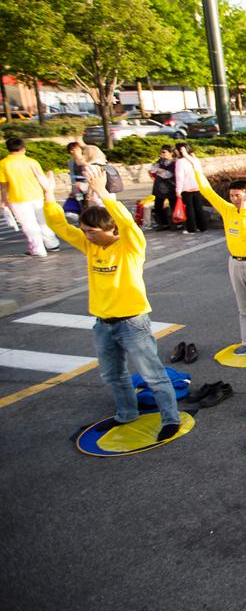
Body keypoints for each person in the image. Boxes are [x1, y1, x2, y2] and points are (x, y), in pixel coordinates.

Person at [38, 167, 179, 439]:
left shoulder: (130, 246)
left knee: (153, 376)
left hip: (133, 323)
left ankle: (170, 419)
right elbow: (58, 226)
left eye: (91, 231)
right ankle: (127, 414)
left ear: (109, 228)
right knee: (113, 375)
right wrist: (47, 194)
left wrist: (104, 193)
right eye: (84, 231)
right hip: (103, 324)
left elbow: (127, 223)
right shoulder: (92, 246)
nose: (86, 236)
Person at [184, 151, 246, 356]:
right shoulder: (227, 209)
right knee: (244, 306)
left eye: (239, 195)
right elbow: (207, 191)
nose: (235, 199)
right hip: (234, 263)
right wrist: (196, 167)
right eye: (232, 196)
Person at [1, 137, 60, 257]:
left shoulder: (4, 164)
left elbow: (4, 185)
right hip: (37, 195)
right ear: (23, 148)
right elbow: (41, 178)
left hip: (17, 198)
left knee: (29, 224)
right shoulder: (32, 162)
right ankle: (52, 244)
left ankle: (38, 250)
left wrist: (3, 199)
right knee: (43, 221)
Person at [171, 144, 207, 234]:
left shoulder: (180, 162)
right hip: (197, 187)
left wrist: (178, 191)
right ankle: (202, 227)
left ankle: (192, 228)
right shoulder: (195, 160)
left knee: (189, 209)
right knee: (199, 208)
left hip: (186, 188)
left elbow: (180, 177)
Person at [148, 146, 176, 230]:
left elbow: (168, 174)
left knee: (173, 205)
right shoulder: (160, 161)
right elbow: (152, 169)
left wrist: (158, 169)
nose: (161, 154)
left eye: (164, 152)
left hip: (171, 187)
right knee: (158, 206)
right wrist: (159, 170)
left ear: (171, 153)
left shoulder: (174, 162)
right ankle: (163, 224)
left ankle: (176, 224)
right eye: (161, 152)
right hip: (159, 187)